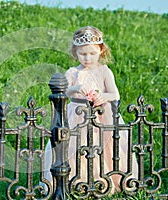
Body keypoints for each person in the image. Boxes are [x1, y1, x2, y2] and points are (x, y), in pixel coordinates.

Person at [43, 26, 138, 194]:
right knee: (75, 146)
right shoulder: (72, 72)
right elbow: (64, 92)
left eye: (92, 53)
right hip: (76, 113)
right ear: (75, 52)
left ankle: (104, 179)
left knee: (103, 146)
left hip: (101, 114)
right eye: (83, 54)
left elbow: (114, 94)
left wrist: (102, 97)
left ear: (101, 51)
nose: (87, 58)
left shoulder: (104, 71)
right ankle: (76, 180)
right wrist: (75, 88)